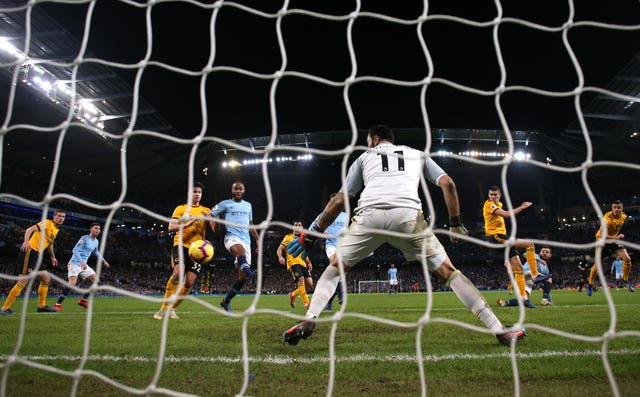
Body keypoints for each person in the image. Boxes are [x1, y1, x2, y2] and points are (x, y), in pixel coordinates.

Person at [281, 125, 526, 346]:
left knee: (335, 268)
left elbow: (339, 200)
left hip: (370, 216)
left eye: (368, 141)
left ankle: (310, 317)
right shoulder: (416, 153)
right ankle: (499, 330)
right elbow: (448, 183)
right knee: (448, 272)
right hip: (408, 216)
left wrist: (310, 237)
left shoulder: (365, 157)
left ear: (375, 139)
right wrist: (454, 222)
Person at [153, 182, 215, 320]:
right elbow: (170, 227)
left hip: (197, 251)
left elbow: (215, 230)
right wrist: (187, 224)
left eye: (199, 192)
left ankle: (172, 308)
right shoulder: (181, 209)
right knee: (178, 273)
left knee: (190, 282)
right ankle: (163, 309)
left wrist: (213, 218)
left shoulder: (206, 210)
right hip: (180, 244)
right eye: (194, 191)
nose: (197, 194)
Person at [483, 186, 546, 309]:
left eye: (495, 194)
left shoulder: (498, 204)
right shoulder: (489, 205)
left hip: (502, 237)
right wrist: (522, 207)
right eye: (491, 194)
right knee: (530, 245)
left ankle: (524, 299)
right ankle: (535, 275)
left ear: (500, 195)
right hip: (497, 237)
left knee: (519, 268)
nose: (492, 197)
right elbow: (506, 214)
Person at [1, 209, 66, 314]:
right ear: (54, 216)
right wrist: (26, 241)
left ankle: (42, 306)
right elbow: (29, 229)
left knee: (46, 278)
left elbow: (50, 243)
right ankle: (5, 308)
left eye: (63, 217)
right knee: (23, 281)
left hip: (38, 255)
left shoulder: (56, 229)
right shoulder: (47, 223)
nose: (61, 218)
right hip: (30, 252)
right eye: (59, 216)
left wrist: (53, 257)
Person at [210, 181, 261, 313]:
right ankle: (251, 274)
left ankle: (226, 301)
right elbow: (210, 215)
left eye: (240, 189)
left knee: (241, 278)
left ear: (243, 191)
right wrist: (216, 223)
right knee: (240, 252)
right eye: (236, 189)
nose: (238, 191)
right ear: (232, 191)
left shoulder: (248, 206)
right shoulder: (224, 204)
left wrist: (258, 239)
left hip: (246, 240)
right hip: (231, 237)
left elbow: (250, 224)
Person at [55, 222, 110, 310]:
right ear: (91, 229)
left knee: (96, 280)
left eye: (99, 229)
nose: (97, 230)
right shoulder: (84, 238)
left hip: (83, 265)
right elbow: (75, 250)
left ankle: (83, 300)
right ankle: (58, 304)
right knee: (72, 283)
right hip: (75, 263)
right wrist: (81, 262)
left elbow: (96, 252)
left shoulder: (96, 241)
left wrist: (104, 261)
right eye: (95, 228)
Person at [587, 200, 634, 295]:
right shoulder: (607, 218)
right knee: (597, 265)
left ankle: (625, 281)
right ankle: (590, 284)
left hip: (613, 241)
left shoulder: (623, 216)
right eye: (614, 208)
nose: (616, 209)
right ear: (612, 208)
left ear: (622, 208)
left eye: (619, 207)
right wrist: (617, 237)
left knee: (627, 259)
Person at [277, 220, 314, 309]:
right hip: (293, 263)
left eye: (299, 225)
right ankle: (307, 303)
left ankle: (293, 294)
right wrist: (280, 257)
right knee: (300, 280)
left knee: (309, 284)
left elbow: (303, 252)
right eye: (296, 225)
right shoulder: (288, 237)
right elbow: (279, 249)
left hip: (302, 263)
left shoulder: (303, 239)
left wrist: (308, 262)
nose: (297, 226)